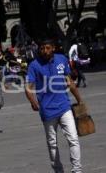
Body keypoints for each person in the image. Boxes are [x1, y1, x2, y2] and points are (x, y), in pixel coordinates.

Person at [25, 39, 83, 173]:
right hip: (47, 110)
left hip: (64, 107)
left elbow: (69, 82)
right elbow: (28, 88)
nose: (44, 51)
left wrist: (79, 99)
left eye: (47, 48)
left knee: (73, 139)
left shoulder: (62, 59)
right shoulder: (34, 65)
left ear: (53, 48)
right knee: (52, 144)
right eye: (42, 48)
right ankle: (58, 170)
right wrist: (33, 102)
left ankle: (77, 170)